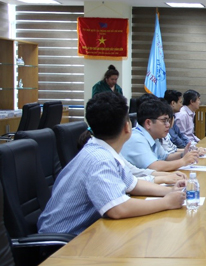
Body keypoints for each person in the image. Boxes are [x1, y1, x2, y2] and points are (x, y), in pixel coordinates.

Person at [38, 92, 186, 235]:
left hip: (86, 232)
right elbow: (118, 209)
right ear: (127, 127)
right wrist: (167, 202)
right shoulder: (99, 159)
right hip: (61, 244)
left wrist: (170, 192)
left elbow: (134, 184)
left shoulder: (105, 151)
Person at [121, 99, 204, 171]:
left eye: (168, 120)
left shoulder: (153, 136)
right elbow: (154, 166)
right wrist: (183, 161)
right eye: (164, 121)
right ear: (148, 123)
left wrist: (183, 154)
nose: (168, 125)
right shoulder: (136, 139)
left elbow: (165, 157)